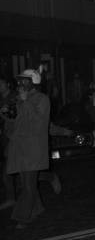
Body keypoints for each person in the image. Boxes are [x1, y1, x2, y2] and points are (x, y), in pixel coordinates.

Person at [4, 69, 50, 228]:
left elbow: (40, 123)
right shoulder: (19, 99)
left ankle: (22, 217)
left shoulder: (42, 99)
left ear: (33, 82)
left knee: (29, 185)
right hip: (21, 148)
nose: (20, 84)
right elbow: (15, 125)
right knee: (26, 184)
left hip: (34, 148)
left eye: (24, 80)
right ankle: (38, 209)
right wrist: (6, 115)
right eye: (20, 81)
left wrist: (26, 102)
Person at [0, 75, 17, 210]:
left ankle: (12, 199)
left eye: (1, 82)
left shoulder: (14, 97)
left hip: (14, 137)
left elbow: (14, 117)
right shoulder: (1, 99)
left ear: (7, 84)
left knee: (21, 169)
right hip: (4, 137)